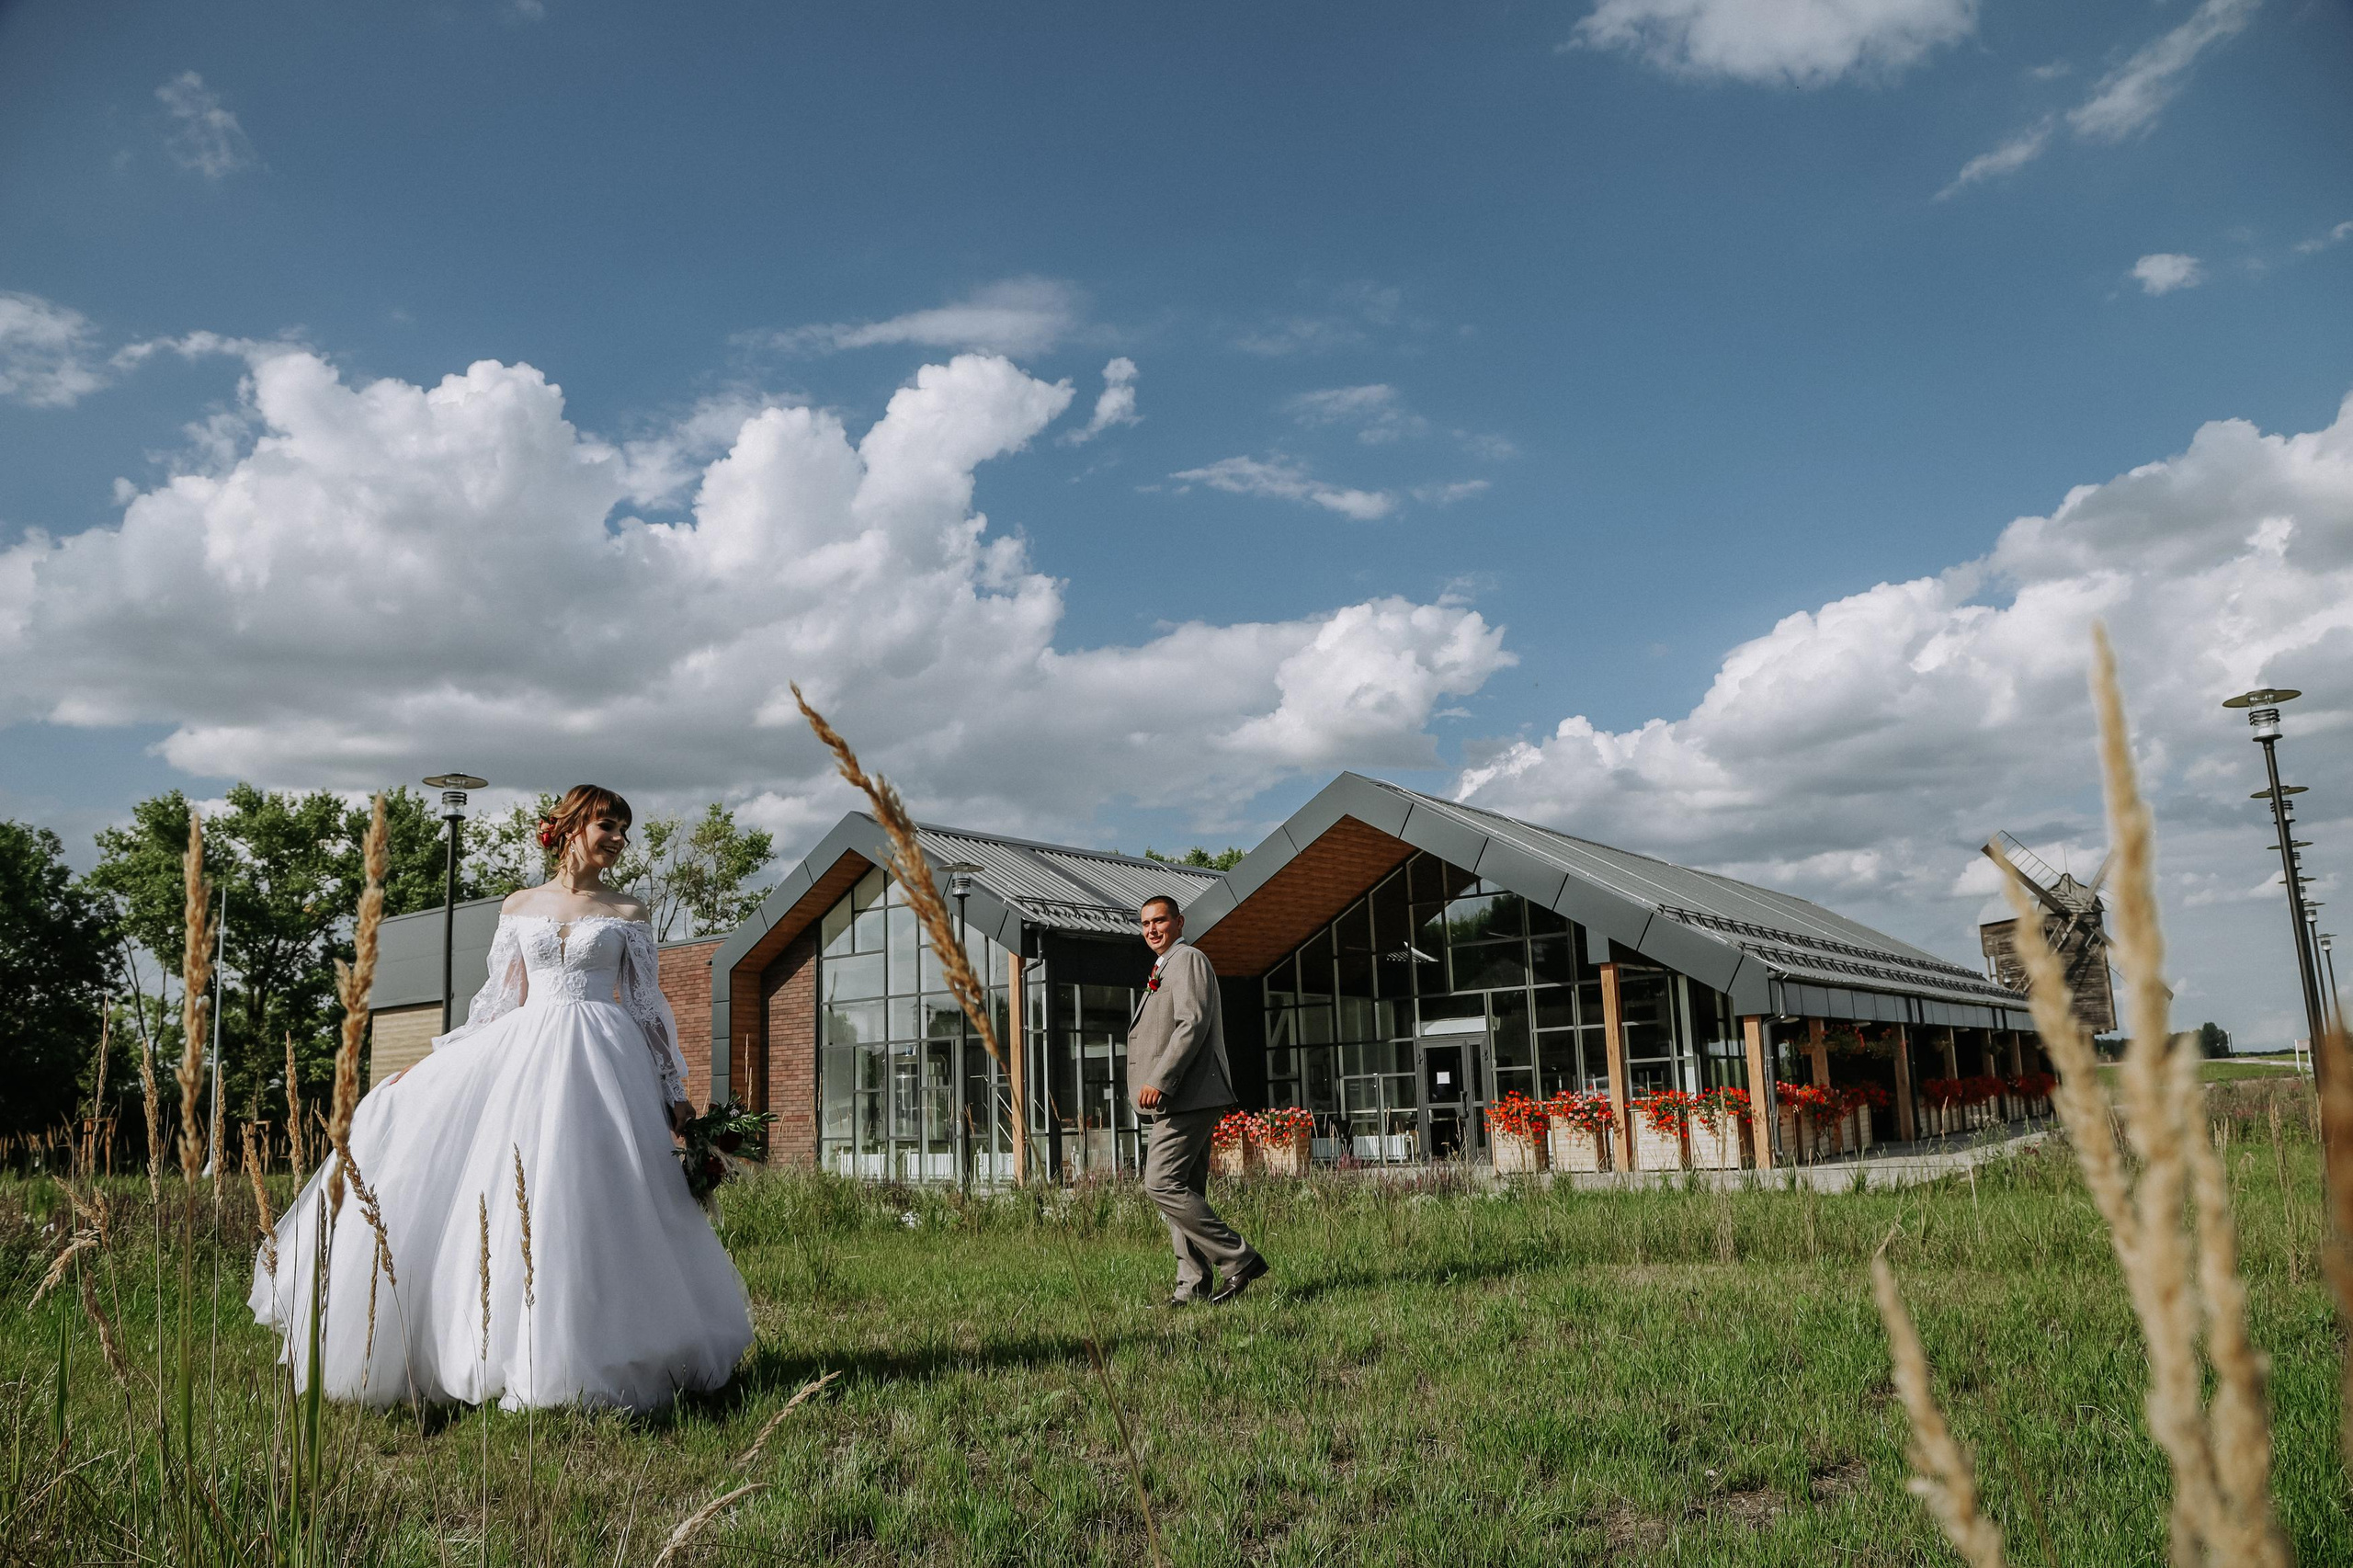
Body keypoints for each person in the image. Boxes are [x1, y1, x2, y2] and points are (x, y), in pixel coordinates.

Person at [249, 784, 753, 1411]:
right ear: (570, 827)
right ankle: (501, 1348)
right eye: (608, 827)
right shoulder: (519, 906)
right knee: (520, 1191)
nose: (620, 840)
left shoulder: (628, 913)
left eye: (625, 829)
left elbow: (650, 1007)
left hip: (604, 1060)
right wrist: (435, 1062)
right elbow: (496, 1002)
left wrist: (674, 1089)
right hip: (525, 1057)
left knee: (598, 1194)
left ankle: (617, 1345)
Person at [1130, 894, 1267, 1306]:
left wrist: (1160, 1078)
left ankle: (1239, 1259)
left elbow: (1191, 1023)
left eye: (1160, 921)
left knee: (1160, 1183)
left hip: (1187, 1094)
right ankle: (1191, 1285)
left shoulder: (1187, 959)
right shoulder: (1164, 964)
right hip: (1183, 1097)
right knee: (1185, 1186)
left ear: (1179, 922)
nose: (1152, 930)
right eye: (1145, 924)